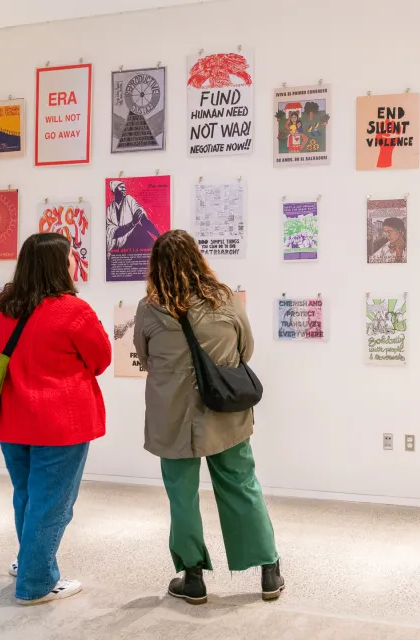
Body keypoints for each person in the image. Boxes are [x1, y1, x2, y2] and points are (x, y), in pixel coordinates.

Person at [134, 230, 284, 605]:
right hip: (225, 413)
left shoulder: (149, 308)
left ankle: (193, 577)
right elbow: (245, 349)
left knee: (181, 496)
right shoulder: (225, 299)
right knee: (241, 484)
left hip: (172, 417)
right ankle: (268, 570)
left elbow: (144, 356)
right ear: (198, 259)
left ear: (156, 266)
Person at [0, 232, 112, 605]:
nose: (75, 260)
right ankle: (36, 582)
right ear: (59, 265)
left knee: (27, 496)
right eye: (71, 255)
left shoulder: (6, 307)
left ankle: (27, 560)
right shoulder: (73, 310)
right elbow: (101, 359)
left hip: (14, 418)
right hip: (61, 423)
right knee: (53, 503)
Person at [106, 181, 161, 252]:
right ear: (115, 189)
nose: (124, 189)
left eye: (124, 188)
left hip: (133, 238)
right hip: (119, 245)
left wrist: (158, 235)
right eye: (121, 187)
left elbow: (143, 220)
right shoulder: (110, 209)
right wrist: (132, 223)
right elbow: (113, 233)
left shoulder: (129, 199)